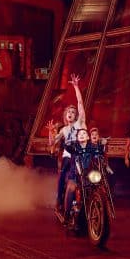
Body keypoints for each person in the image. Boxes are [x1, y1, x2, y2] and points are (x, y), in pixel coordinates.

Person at [46, 73, 86, 212]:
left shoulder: (79, 123)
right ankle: (59, 199)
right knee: (63, 174)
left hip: (81, 153)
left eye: (73, 112)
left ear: (76, 116)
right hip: (69, 155)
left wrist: (76, 87)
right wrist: (50, 133)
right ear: (65, 115)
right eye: (68, 111)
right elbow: (52, 143)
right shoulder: (64, 129)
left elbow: (80, 103)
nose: (70, 113)